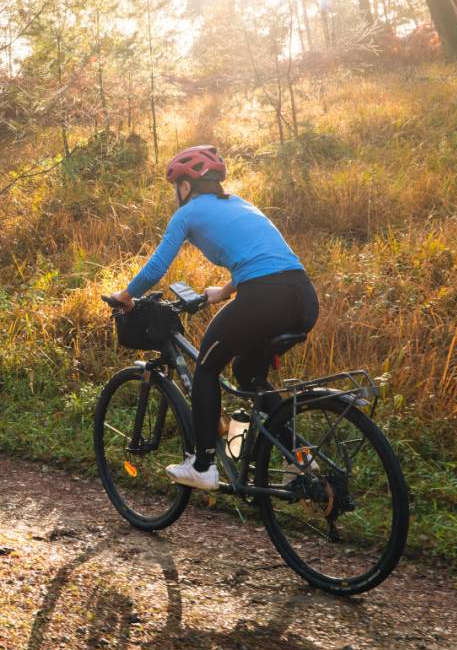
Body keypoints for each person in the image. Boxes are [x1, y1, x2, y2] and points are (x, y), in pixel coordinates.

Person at [110, 145, 318, 490]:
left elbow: (158, 267)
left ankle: (203, 465)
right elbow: (264, 258)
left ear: (186, 186)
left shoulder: (187, 214)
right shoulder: (241, 204)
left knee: (206, 367)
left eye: (175, 187)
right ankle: (299, 456)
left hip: (265, 297)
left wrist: (125, 296)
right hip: (302, 297)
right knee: (248, 374)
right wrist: (223, 292)